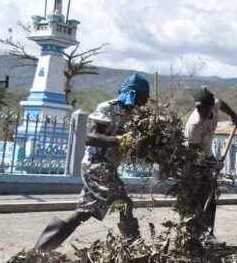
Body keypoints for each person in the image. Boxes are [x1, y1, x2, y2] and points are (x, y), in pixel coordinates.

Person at [34, 73, 150, 251]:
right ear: (133, 93)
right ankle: (136, 249)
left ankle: (41, 249)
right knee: (123, 203)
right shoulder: (107, 108)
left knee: (85, 212)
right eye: (143, 97)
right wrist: (120, 140)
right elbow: (91, 137)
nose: (145, 101)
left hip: (108, 168)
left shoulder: (135, 117)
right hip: (96, 164)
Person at [183, 87, 237, 248]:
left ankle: (207, 233)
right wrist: (212, 163)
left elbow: (221, 103)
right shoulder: (194, 123)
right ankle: (193, 235)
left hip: (208, 155)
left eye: (203, 107)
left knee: (211, 195)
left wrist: (234, 116)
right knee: (198, 197)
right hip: (193, 161)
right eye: (198, 108)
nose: (200, 110)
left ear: (210, 106)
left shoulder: (214, 105)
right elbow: (194, 151)